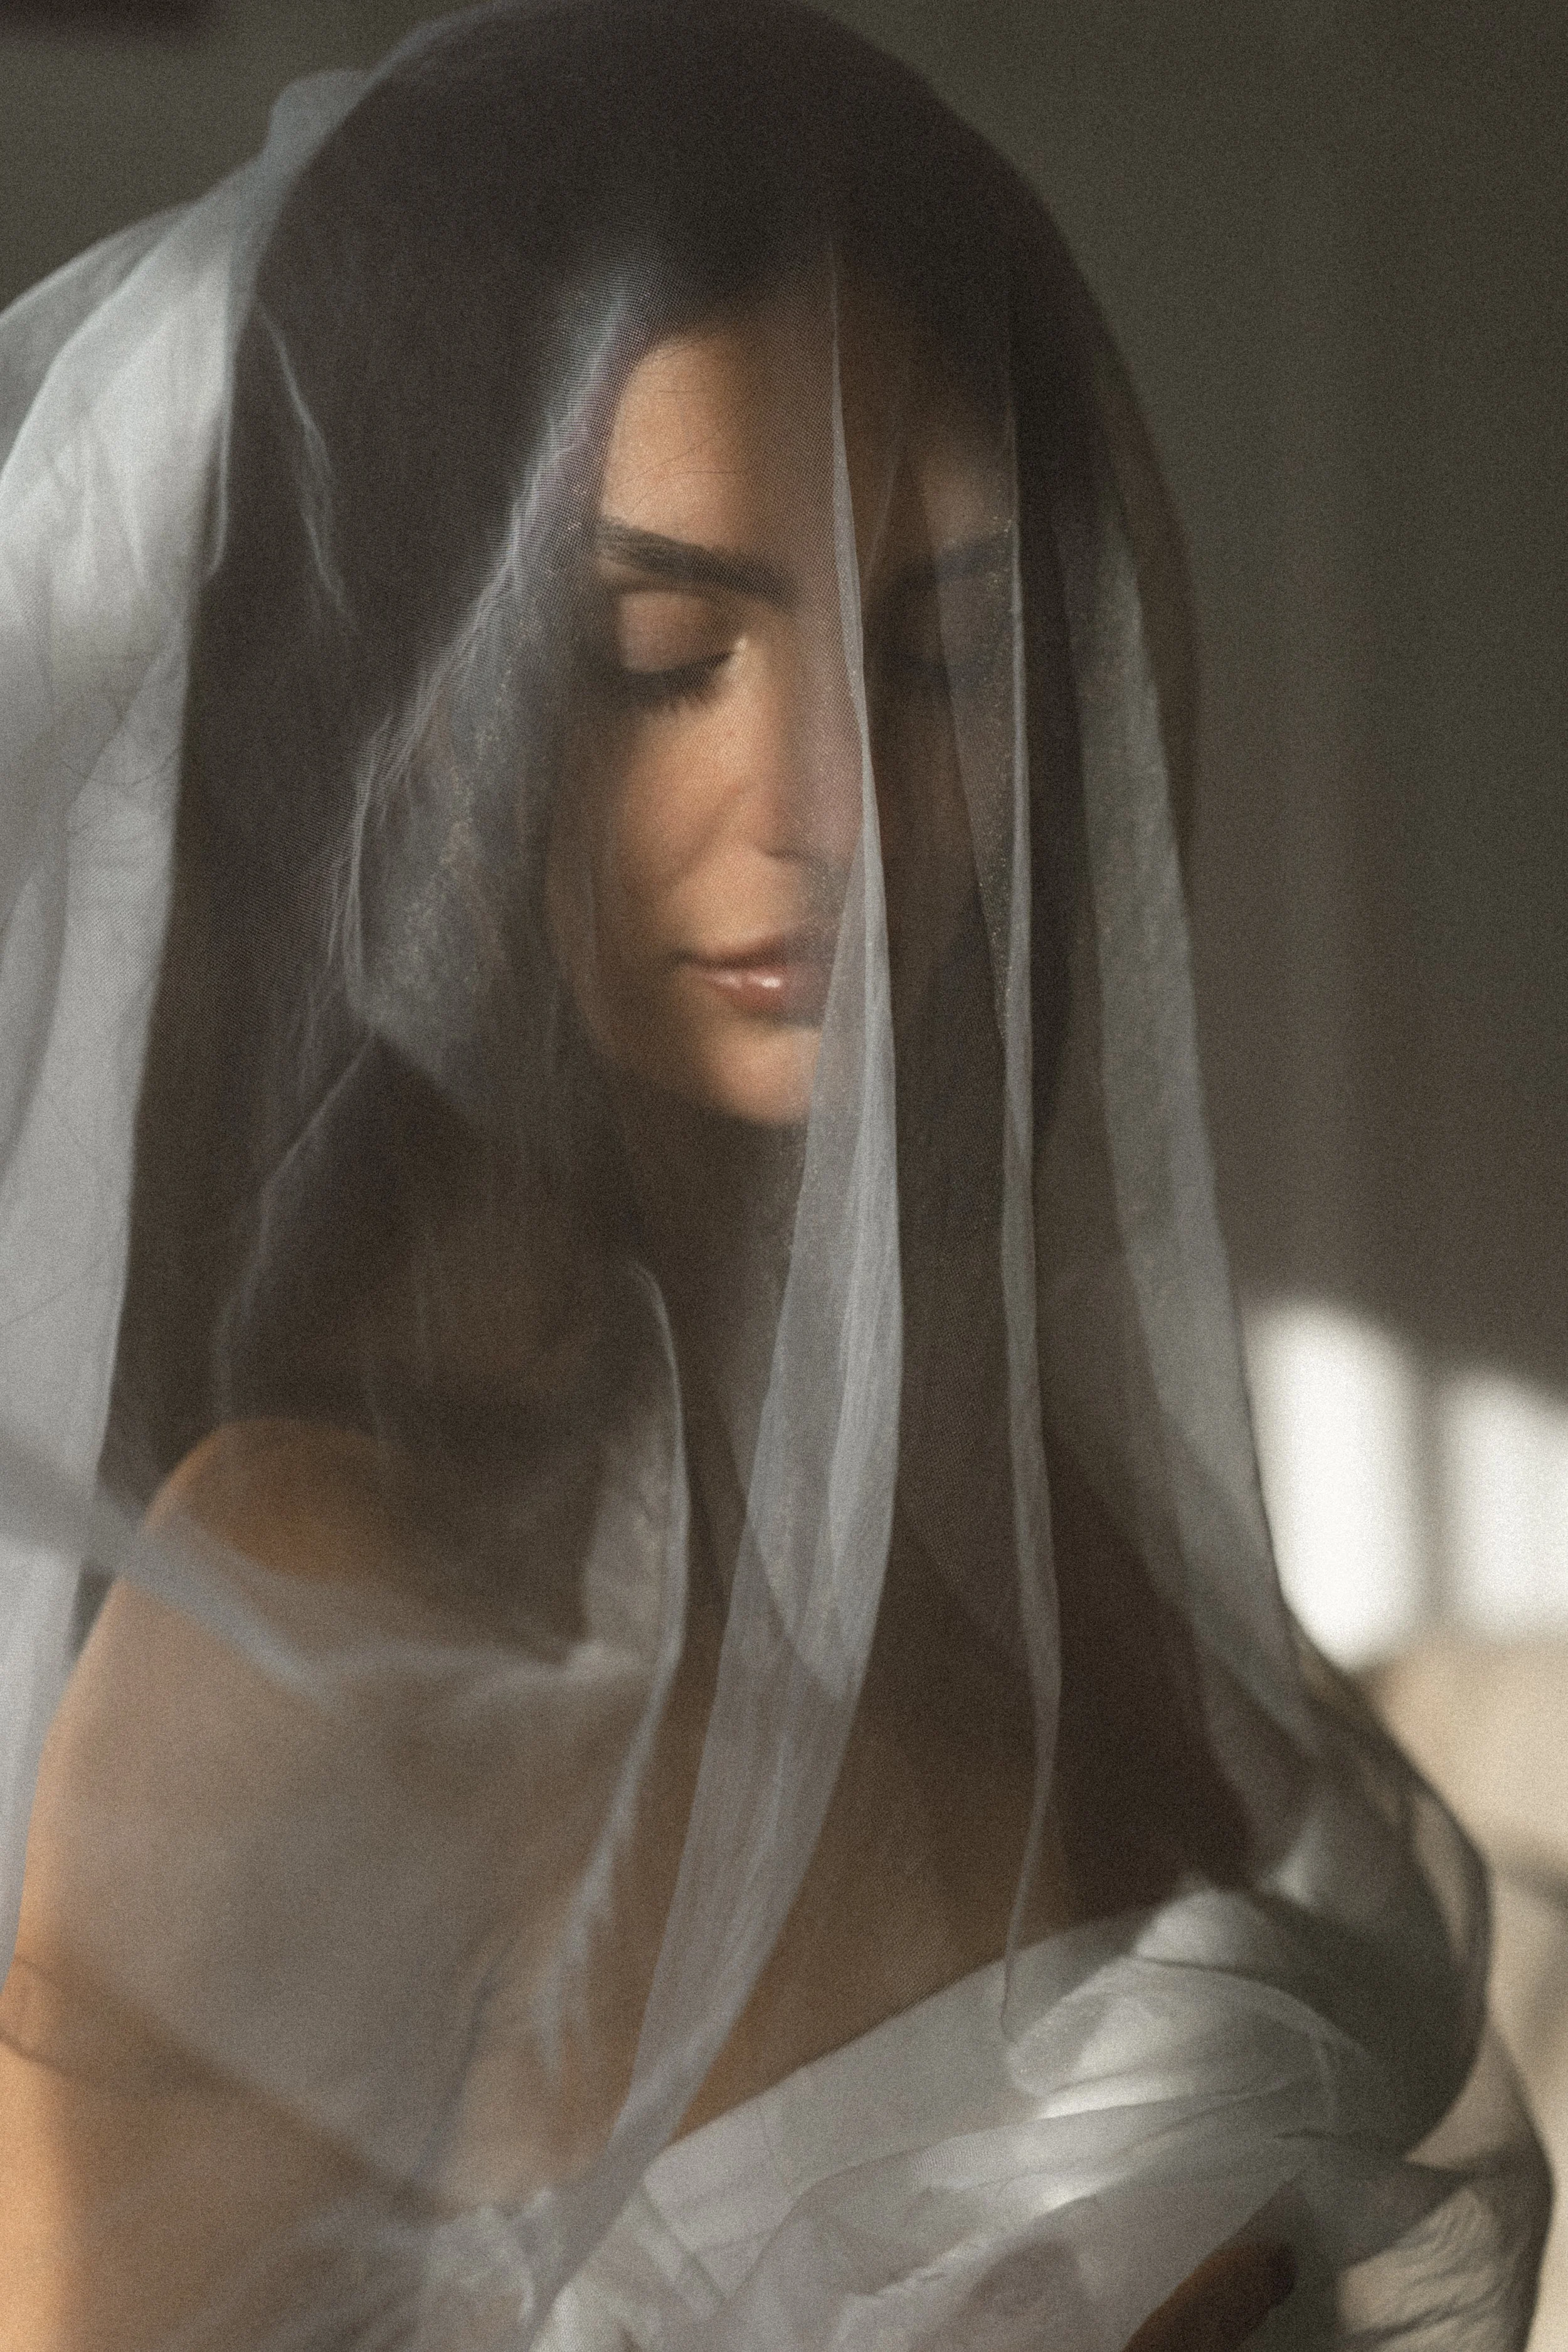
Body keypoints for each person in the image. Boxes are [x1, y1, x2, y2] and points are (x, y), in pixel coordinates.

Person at [0, 3, 1547, 2345]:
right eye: (655, 654)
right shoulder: (325, 1606)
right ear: (419, 727)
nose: (831, 793)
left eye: (943, 648)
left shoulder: (1053, 1526)